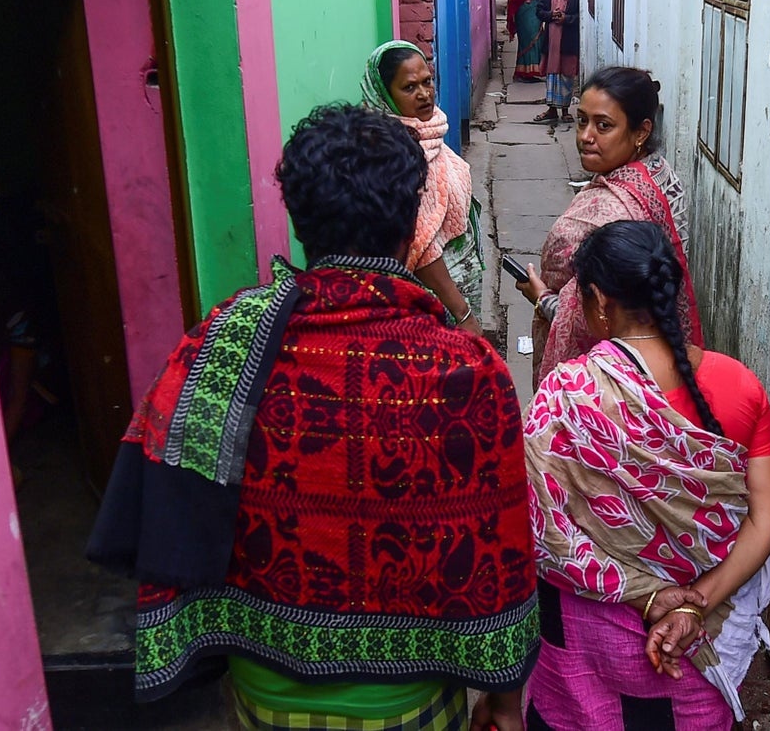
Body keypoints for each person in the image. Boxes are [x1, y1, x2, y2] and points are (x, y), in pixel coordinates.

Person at [87, 104, 539, 730]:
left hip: (261, 691)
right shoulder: (469, 371)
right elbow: (502, 541)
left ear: (299, 218)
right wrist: (505, 693)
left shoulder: (221, 342)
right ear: (412, 220)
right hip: (409, 701)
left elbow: (160, 494)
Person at [523, 220, 770, 729]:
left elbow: (540, 530)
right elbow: (769, 513)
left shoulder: (567, 395)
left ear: (600, 300)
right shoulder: (739, 384)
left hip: (589, 645)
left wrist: (646, 595)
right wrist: (694, 606)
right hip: (693, 645)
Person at [517, 66, 703, 386]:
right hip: (662, 357)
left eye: (603, 126)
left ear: (641, 132)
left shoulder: (612, 212)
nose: (586, 136)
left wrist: (542, 296)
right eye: (581, 121)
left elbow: (601, 315)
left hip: (614, 379)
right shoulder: (659, 175)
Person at [362, 40, 485, 336]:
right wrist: (462, 314)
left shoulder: (428, 133)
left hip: (459, 283)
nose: (424, 94)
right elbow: (420, 243)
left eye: (427, 81)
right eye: (409, 87)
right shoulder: (390, 155)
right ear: (383, 95)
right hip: (433, 299)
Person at [533, 0, 581, 125]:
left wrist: (566, 18)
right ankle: (552, 110)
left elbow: (579, 16)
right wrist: (551, 15)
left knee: (566, 75)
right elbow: (539, 12)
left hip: (568, 41)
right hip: (552, 41)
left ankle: (565, 110)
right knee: (552, 75)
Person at [506, 0, 544, 83]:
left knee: (537, 41)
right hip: (523, 16)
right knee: (526, 42)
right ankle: (521, 73)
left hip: (535, 15)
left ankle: (532, 71)